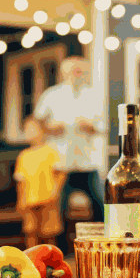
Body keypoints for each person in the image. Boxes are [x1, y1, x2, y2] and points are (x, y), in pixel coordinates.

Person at [33, 57, 106, 225]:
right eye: (73, 70)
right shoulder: (51, 95)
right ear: (63, 73)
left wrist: (90, 127)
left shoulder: (94, 95)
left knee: (99, 203)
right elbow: (37, 123)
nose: (76, 74)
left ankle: (101, 239)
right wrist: (51, 129)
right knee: (59, 207)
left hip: (87, 161)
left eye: (80, 71)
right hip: (60, 162)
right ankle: (61, 246)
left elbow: (102, 127)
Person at [14, 117, 66, 248]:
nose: (31, 133)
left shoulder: (51, 152)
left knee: (49, 231)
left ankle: (52, 257)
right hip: (30, 200)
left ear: (42, 131)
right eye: (28, 130)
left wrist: (56, 190)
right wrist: (21, 200)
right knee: (31, 231)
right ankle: (32, 258)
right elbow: (21, 181)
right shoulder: (23, 156)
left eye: (34, 129)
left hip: (48, 198)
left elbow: (61, 173)